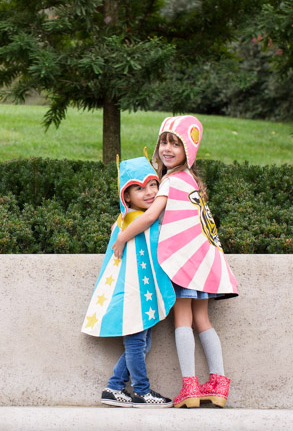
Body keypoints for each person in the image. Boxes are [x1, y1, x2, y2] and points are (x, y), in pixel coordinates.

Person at [112, 115, 238, 409]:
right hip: (204, 263)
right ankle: (218, 384)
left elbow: (149, 216)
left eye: (175, 143)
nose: (167, 148)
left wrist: (121, 238)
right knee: (202, 320)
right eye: (164, 141)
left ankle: (190, 388)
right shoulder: (193, 182)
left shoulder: (169, 181)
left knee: (183, 320)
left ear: (187, 151)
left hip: (182, 264)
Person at [82, 155, 176, 408]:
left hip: (139, 293)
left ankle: (114, 387)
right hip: (133, 294)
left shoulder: (130, 219)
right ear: (126, 195)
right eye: (139, 187)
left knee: (142, 342)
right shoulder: (135, 220)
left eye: (152, 185)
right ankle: (141, 391)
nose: (148, 192)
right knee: (137, 341)